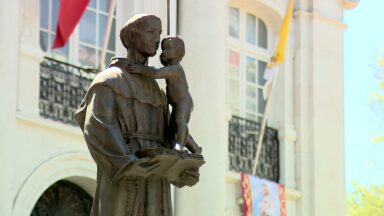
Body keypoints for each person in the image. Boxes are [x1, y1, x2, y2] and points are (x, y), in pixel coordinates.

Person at [74, 14, 199, 216]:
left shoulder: (157, 91)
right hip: (124, 180)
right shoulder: (109, 81)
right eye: (151, 32)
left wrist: (181, 170)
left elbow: (169, 137)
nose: (157, 39)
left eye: (159, 33)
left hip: (156, 183)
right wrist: (128, 162)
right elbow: (98, 127)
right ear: (131, 37)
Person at [127, 35, 201, 153]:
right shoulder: (170, 67)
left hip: (183, 102)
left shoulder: (175, 69)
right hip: (177, 104)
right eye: (163, 49)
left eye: (168, 48)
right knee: (172, 130)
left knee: (180, 122)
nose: (164, 51)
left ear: (178, 52)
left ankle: (180, 146)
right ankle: (195, 148)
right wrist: (163, 60)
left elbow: (156, 73)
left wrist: (139, 68)